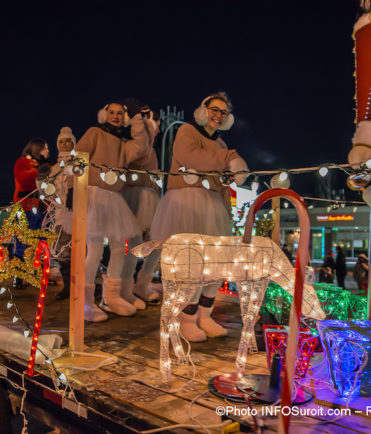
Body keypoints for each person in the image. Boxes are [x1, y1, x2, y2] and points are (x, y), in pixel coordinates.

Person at [150, 92, 249, 342]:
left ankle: (205, 315)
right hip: (187, 201)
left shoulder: (222, 144)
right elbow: (192, 158)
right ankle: (186, 319)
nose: (218, 115)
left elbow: (219, 175)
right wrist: (229, 160)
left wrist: (227, 183)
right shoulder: (187, 131)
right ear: (204, 110)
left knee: (215, 267)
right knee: (193, 266)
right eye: (214, 109)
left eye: (223, 112)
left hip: (213, 204)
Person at [74, 102, 151, 322]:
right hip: (94, 194)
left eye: (120, 113)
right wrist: (74, 188)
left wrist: (137, 120)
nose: (116, 116)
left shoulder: (123, 143)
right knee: (95, 249)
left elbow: (141, 148)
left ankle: (111, 297)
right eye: (112, 112)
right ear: (104, 114)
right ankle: (85, 302)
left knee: (119, 248)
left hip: (114, 198)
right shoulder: (94, 132)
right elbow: (78, 158)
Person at [120, 100, 162, 307]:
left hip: (151, 201)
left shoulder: (152, 150)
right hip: (132, 198)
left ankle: (142, 285)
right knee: (134, 245)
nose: (156, 126)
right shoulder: (133, 146)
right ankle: (124, 290)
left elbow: (153, 179)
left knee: (157, 244)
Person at [39, 127, 77, 301]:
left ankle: (89, 286)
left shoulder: (79, 163)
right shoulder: (55, 168)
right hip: (62, 216)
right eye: (61, 141)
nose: (64, 144)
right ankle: (68, 287)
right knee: (63, 253)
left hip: (80, 215)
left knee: (83, 251)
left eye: (67, 140)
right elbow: (46, 193)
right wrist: (41, 179)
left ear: (73, 142)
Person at [12, 137, 50, 288]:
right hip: (26, 208)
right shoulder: (22, 162)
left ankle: (38, 275)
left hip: (43, 208)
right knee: (23, 242)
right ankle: (18, 277)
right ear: (37, 148)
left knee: (42, 241)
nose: (47, 151)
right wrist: (38, 171)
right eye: (45, 148)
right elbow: (23, 179)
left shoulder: (47, 166)